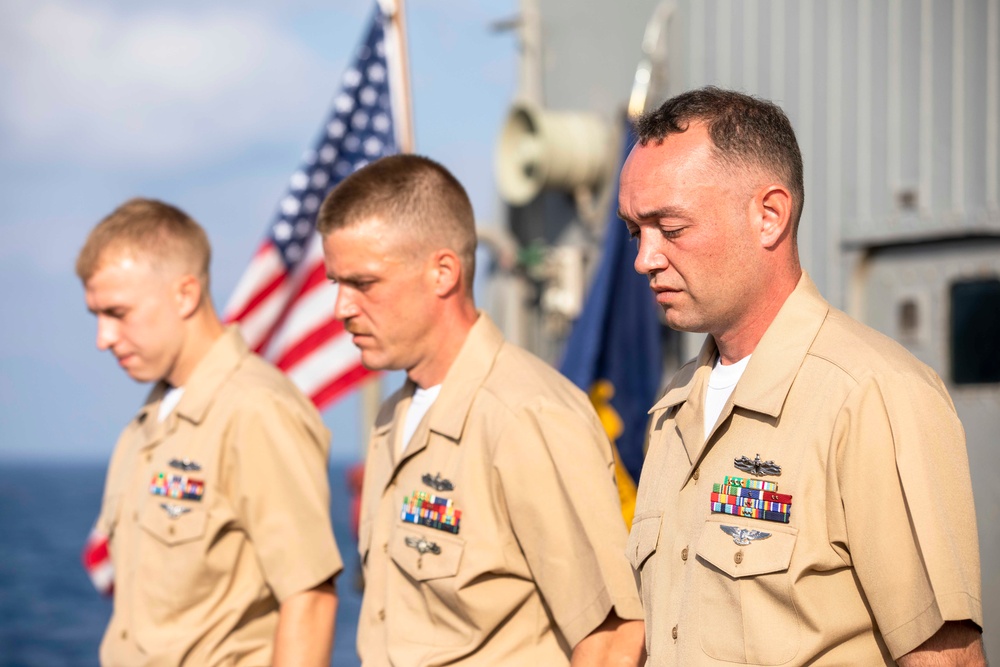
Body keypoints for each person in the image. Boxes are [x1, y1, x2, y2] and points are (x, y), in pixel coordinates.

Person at [617, 86, 985, 666]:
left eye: (672, 227)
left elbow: (945, 657)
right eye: (637, 231)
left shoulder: (869, 395)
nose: (645, 258)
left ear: (769, 216)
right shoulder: (674, 405)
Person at [318, 154, 645, 666]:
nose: (341, 309)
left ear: (443, 272)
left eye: (363, 283)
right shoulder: (393, 419)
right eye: (336, 284)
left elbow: (612, 640)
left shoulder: (527, 416)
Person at [76, 198, 342, 666]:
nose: (103, 339)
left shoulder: (256, 410)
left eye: (118, 312)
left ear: (184, 294)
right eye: (96, 316)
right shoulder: (146, 425)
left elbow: (310, 598)